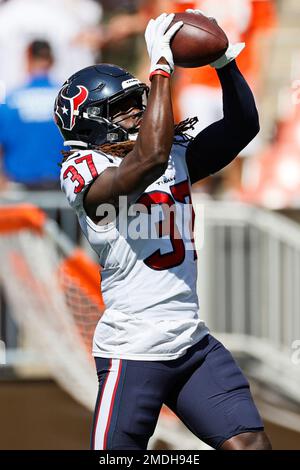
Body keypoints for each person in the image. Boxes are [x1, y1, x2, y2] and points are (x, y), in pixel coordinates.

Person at [56, 11, 272, 450]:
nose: (138, 111)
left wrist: (224, 62)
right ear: (90, 121)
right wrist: (160, 68)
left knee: (250, 445)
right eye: (123, 108)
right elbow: (148, 160)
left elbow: (243, 126)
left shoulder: (173, 154)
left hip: (191, 342)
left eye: (139, 102)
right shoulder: (85, 169)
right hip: (133, 347)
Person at [0, 40, 63, 189]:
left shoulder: (10, 100)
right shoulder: (66, 99)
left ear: (27, 58)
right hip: (63, 186)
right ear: (52, 60)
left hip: (20, 188)